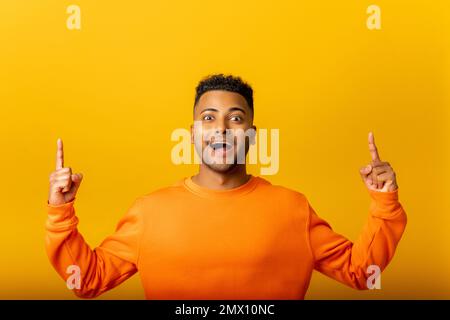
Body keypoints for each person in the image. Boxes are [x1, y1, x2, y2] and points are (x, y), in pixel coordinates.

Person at [45, 74, 407, 299]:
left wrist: (384, 203)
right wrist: (61, 212)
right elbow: (87, 280)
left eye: (235, 118)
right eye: (208, 118)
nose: (221, 128)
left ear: (251, 134)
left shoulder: (293, 208)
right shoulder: (149, 211)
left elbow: (361, 272)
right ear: (192, 135)